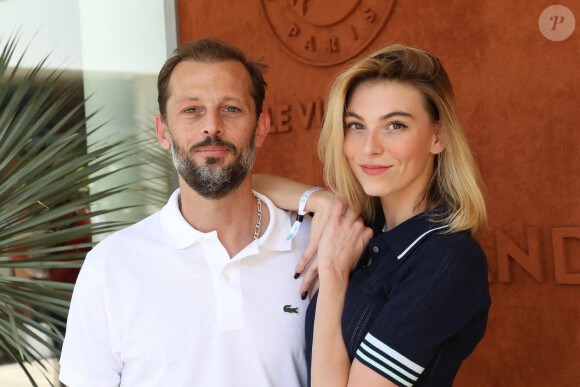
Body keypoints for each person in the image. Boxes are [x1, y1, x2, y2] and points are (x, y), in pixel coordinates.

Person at [59, 39, 312, 386]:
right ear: (163, 131)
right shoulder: (110, 267)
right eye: (192, 110)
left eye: (231, 109)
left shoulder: (315, 247)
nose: (212, 127)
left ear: (261, 130)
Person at [254, 44, 491, 386]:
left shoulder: (446, 260)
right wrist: (323, 201)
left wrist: (334, 274)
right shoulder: (365, 229)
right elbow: (247, 186)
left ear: (437, 136)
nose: (369, 147)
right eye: (356, 125)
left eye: (395, 125)